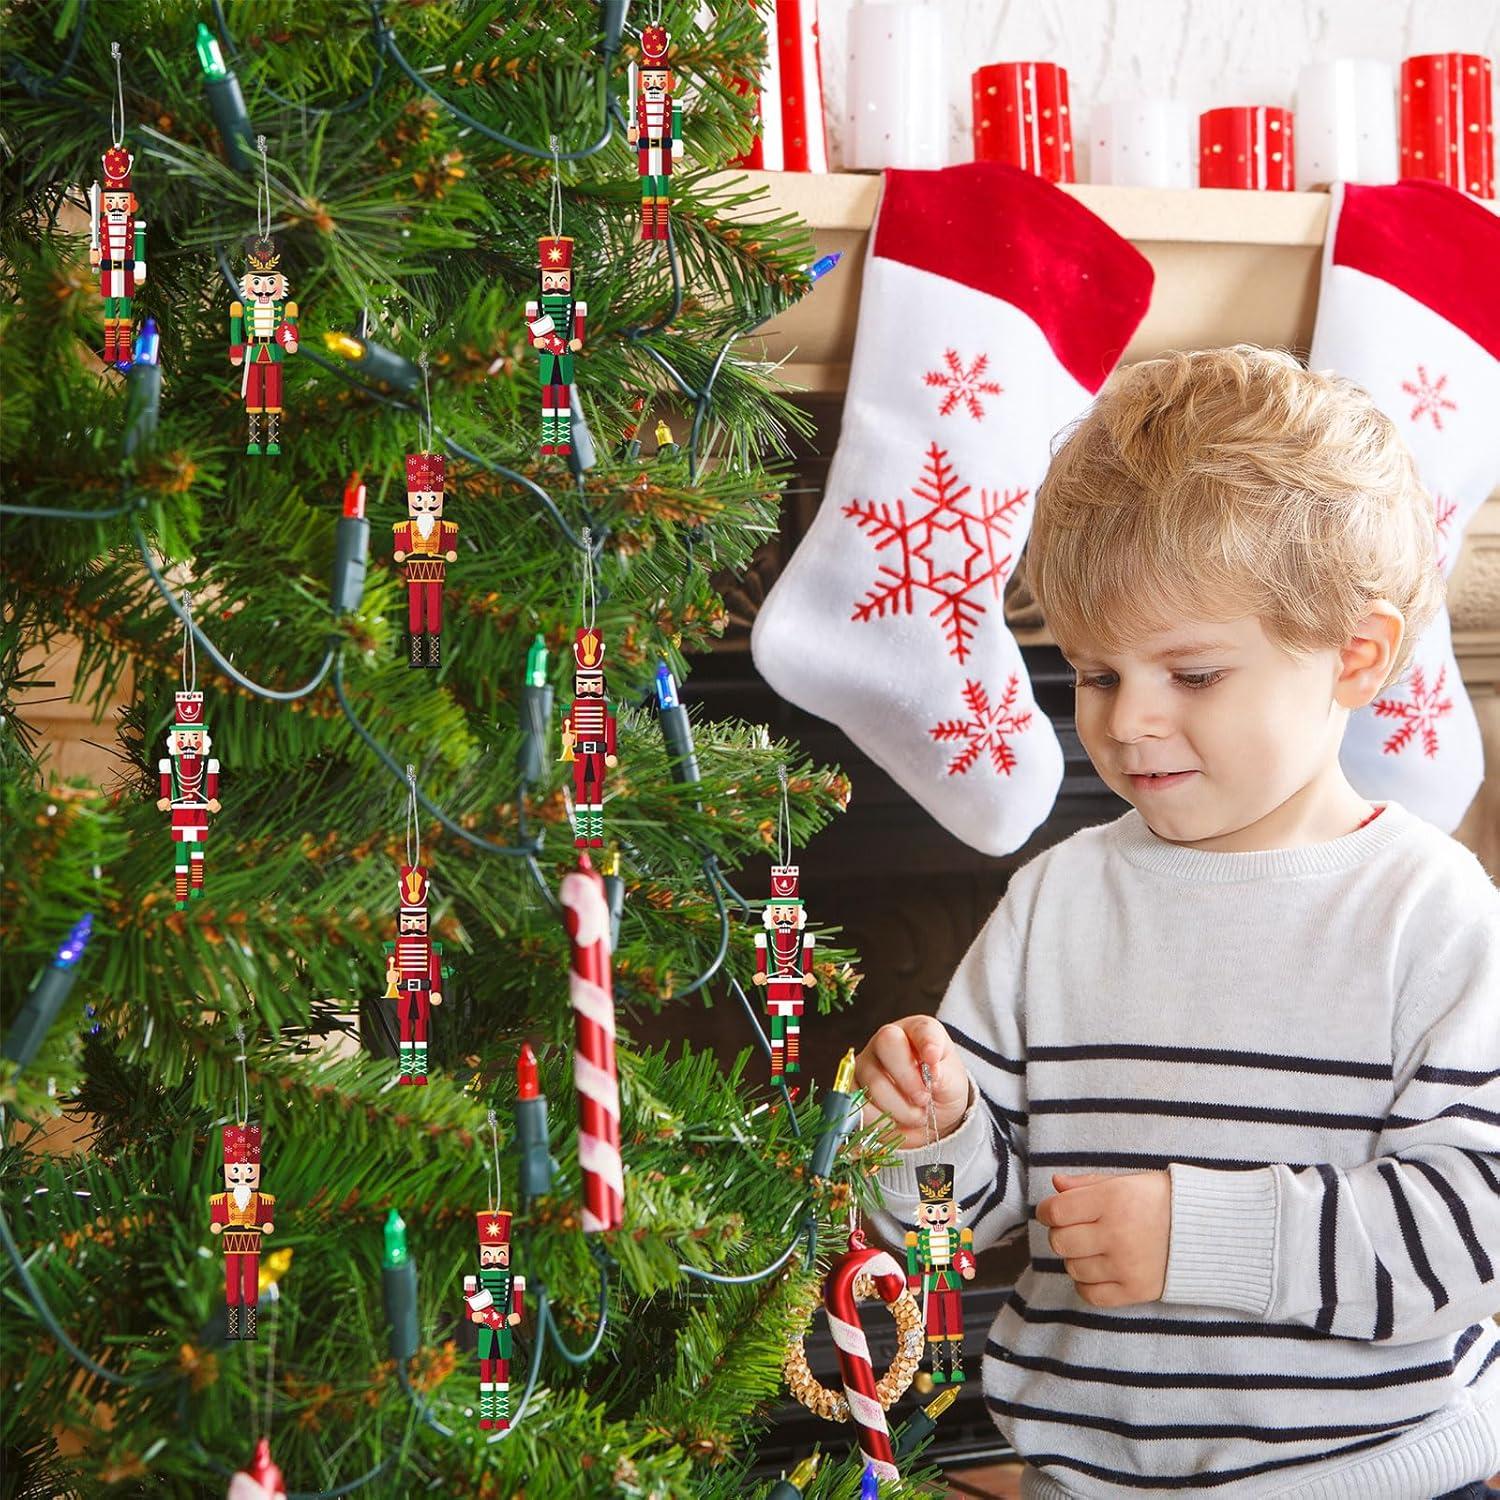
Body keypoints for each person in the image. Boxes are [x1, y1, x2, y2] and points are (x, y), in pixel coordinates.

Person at [856, 347, 1500, 1498]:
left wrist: (1205, 1238)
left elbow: (1474, 1228)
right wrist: (932, 1135)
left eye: (1193, 675)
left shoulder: (1433, 915)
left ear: (1355, 656)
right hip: (1083, 1480)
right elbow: (950, 1239)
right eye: (1098, 675)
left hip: (1375, 1479)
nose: (1128, 722)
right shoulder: (1056, 902)